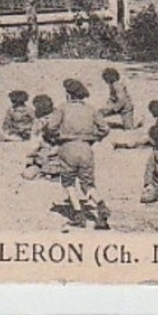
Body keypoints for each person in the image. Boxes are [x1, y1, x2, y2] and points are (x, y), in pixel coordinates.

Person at [43, 78, 111, 229]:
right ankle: (101, 206)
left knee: (68, 183)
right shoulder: (91, 109)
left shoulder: (62, 108)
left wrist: (57, 137)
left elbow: (51, 127)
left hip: (68, 147)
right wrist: (94, 138)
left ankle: (78, 214)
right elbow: (105, 129)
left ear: (68, 94)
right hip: (86, 148)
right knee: (88, 184)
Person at [21, 94, 65, 180]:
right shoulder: (60, 116)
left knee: (28, 174)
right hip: (61, 155)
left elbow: (35, 144)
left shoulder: (39, 122)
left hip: (47, 155)